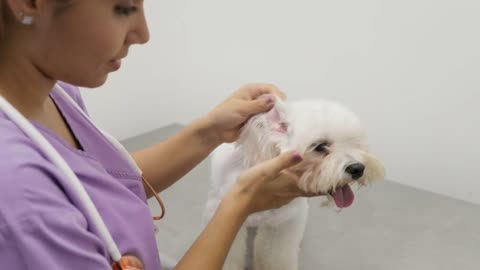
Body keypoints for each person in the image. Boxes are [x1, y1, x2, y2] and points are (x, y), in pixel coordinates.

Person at [0, 1, 321, 269]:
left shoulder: (55, 92)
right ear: (29, 3)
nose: (143, 34)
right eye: (123, 9)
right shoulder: (17, 193)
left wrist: (209, 132)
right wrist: (240, 201)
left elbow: (92, 185)